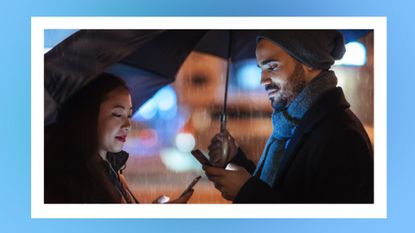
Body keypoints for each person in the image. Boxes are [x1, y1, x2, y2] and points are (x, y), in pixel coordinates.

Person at [204, 30, 374, 203]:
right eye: (261, 69)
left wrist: (246, 191)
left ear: (310, 61)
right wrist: (235, 160)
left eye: (273, 67)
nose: (263, 80)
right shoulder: (294, 125)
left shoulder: (340, 136)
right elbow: (286, 190)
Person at [45, 73, 194, 203]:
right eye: (117, 114)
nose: (128, 125)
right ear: (88, 115)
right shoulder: (71, 180)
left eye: (129, 115)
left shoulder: (111, 168)